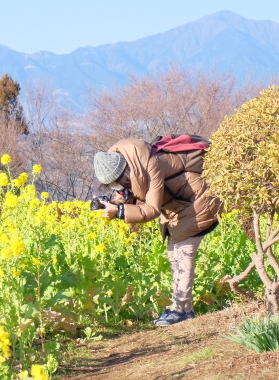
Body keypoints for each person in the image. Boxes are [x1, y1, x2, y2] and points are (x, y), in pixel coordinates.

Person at [93, 137, 222, 326]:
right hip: (178, 207)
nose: (116, 187)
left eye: (116, 182)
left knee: (184, 252)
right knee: (173, 254)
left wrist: (119, 212)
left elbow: (152, 209)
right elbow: (132, 193)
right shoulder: (134, 168)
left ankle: (180, 309)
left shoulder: (152, 164)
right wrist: (112, 203)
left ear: (124, 172)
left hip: (198, 202)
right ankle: (184, 309)